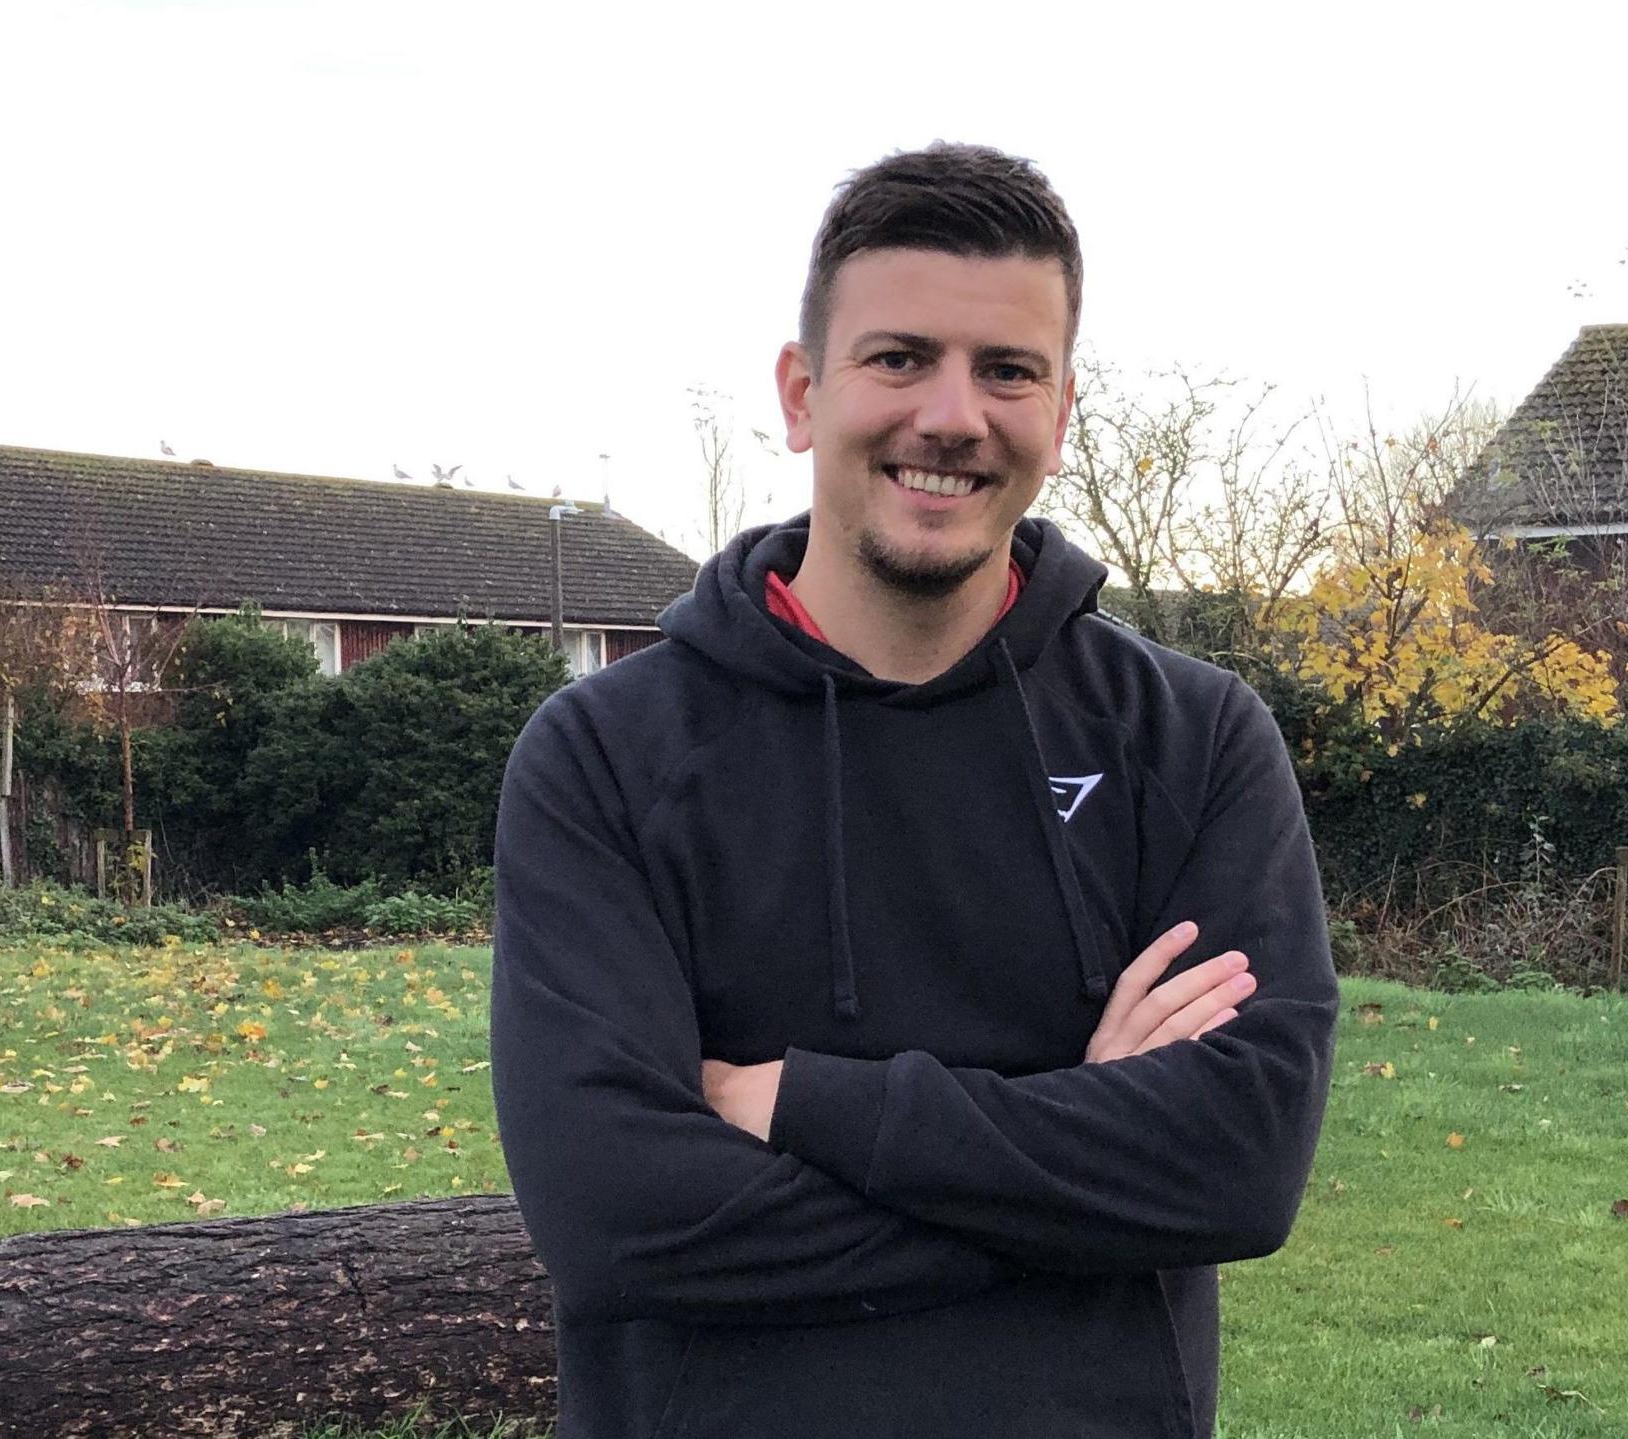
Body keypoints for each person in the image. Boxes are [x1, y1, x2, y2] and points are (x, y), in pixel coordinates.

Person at [489, 141, 1338, 1439]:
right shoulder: (606, 757)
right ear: (801, 392)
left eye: (1008, 371)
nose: (954, 415)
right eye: (899, 358)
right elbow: (622, 1220)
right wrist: (1083, 1181)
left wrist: (806, 1106)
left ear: (1059, 414)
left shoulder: (1192, 740)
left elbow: (1238, 1163)